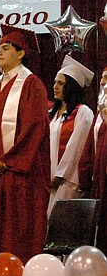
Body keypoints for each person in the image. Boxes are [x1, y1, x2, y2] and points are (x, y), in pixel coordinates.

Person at [0, 25, 50, 265]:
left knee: (19, 234)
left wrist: (7, 162)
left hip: (22, 177)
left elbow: (34, 127)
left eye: (5, 48)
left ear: (21, 53)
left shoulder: (32, 85)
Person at [46, 55, 94, 217]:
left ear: (71, 86)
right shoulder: (52, 114)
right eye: (54, 82)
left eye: (60, 83)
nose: (55, 87)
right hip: (48, 180)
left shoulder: (83, 112)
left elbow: (76, 148)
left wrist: (59, 176)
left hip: (68, 181)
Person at [79, 65, 107, 254]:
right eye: (103, 77)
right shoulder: (99, 115)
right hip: (99, 183)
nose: (103, 82)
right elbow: (89, 149)